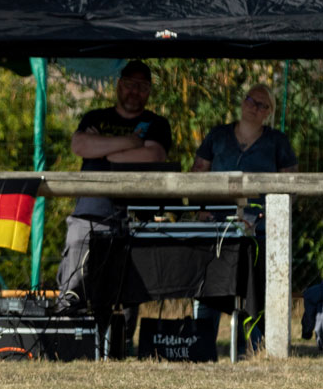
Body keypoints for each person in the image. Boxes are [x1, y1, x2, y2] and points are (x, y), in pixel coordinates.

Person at [55, 60, 173, 337]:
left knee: (127, 287)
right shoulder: (95, 117)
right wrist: (130, 143)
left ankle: (119, 344)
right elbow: (80, 145)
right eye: (130, 84)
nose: (135, 91)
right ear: (119, 85)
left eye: (142, 87)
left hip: (135, 217)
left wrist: (104, 149)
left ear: (149, 91)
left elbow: (154, 155)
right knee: (77, 270)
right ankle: (66, 334)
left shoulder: (157, 123)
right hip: (90, 210)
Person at [190, 83, 297, 345]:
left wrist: (269, 217)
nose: (254, 107)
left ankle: (257, 345)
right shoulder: (218, 135)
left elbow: (292, 186)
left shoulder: (277, 142)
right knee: (209, 286)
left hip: (258, 230)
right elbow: (197, 174)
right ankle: (201, 345)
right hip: (216, 227)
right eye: (251, 100)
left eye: (262, 105)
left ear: (269, 112)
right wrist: (200, 209)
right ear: (242, 102)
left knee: (254, 290)